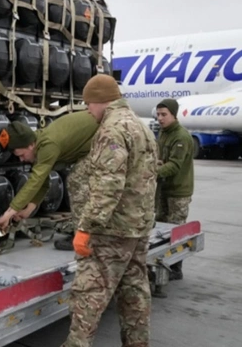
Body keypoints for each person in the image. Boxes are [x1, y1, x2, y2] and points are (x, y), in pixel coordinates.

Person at [61, 74, 158, 347]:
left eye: (88, 104)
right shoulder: (142, 127)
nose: (88, 111)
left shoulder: (112, 130)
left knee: (89, 291)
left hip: (112, 229)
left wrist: (86, 226)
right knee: (135, 288)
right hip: (138, 226)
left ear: (100, 101)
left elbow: (108, 184)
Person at [0, 111, 99, 251]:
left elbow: (35, 180)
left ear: (30, 145)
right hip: (94, 143)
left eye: (21, 155)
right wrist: (27, 211)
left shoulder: (48, 145)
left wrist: (8, 213)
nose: (22, 160)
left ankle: (85, 237)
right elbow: (43, 182)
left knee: (77, 181)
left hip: (105, 139)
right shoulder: (40, 143)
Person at [155, 98, 194, 282]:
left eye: (164, 115)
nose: (160, 118)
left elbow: (174, 165)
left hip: (178, 191)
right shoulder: (164, 133)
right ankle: (162, 264)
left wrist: (151, 172)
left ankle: (176, 268)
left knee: (176, 230)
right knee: (161, 228)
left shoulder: (181, 136)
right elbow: (162, 158)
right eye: (158, 114)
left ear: (173, 115)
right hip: (164, 188)